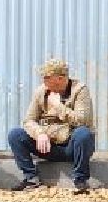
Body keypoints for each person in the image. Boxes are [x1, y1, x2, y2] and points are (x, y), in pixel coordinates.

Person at [9, 57, 96, 194]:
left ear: (60, 78)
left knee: (83, 133)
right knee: (15, 135)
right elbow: (29, 121)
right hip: (49, 146)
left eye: (47, 77)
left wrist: (58, 106)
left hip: (71, 147)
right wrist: (40, 133)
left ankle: (80, 180)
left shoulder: (80, 90)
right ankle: (31, 178)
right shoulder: (41, 92)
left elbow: (82, 120)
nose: (43, 80)